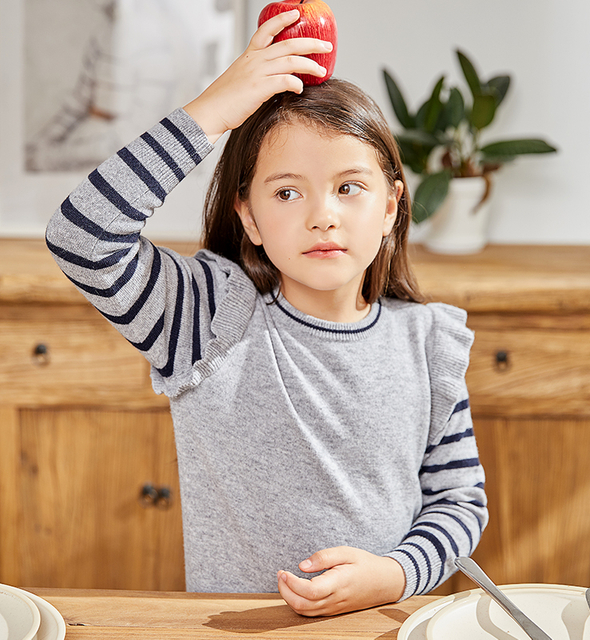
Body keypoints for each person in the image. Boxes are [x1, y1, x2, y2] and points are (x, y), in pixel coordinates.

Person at [46, 9, 488, 616]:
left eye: (348, 187)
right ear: (248, 217)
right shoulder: (210, 320)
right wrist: (214, 110)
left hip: (381, 628)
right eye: (286, 192)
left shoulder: (429, 341)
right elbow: (83, 236)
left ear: (391, 206)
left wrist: (396, 574)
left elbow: (459, 500)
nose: (321, 215)